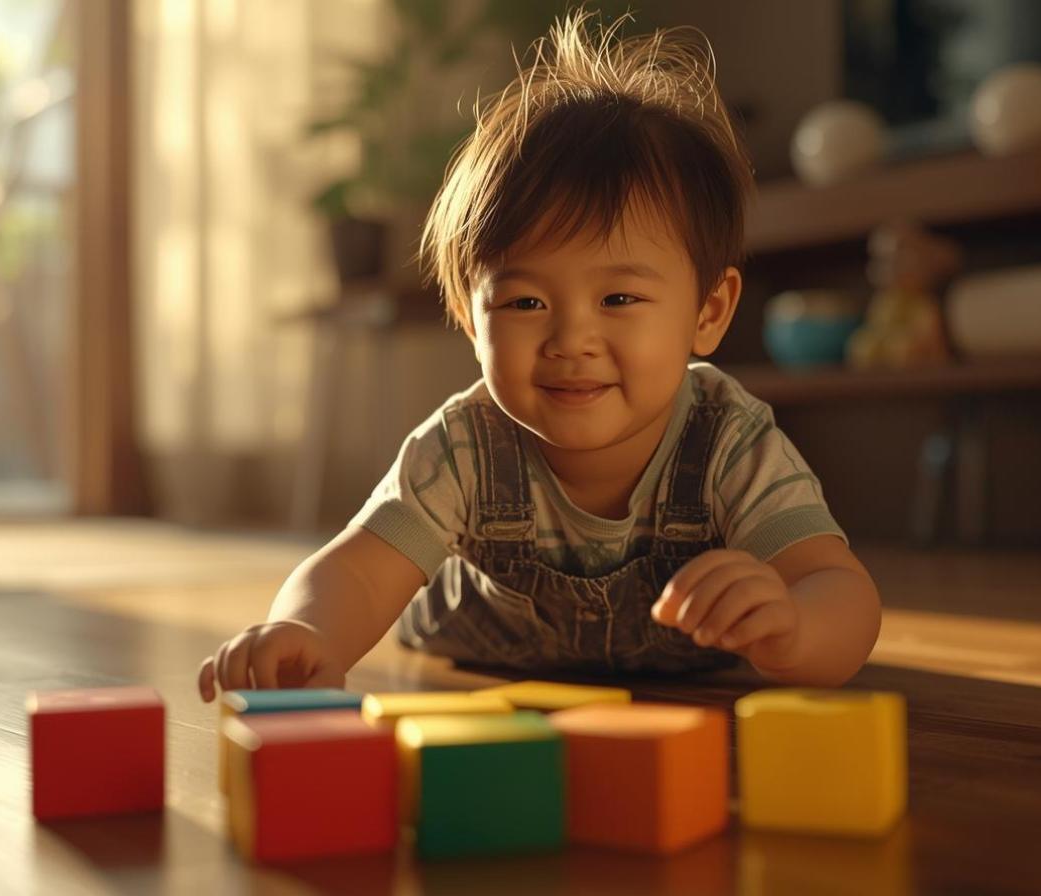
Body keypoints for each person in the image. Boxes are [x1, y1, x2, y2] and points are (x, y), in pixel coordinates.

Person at [198, 11, 881, 700]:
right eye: (525, 304)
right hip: (474, 655)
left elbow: (838, 587)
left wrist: (795, 627)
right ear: (469, 318)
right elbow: (356, 570)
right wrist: (307, 632)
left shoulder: (729, 439)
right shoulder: (464, 447)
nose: (570, 341)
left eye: (618, 300)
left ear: (708, 311)